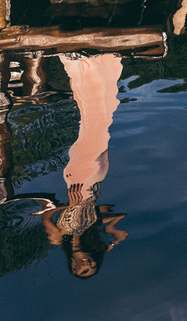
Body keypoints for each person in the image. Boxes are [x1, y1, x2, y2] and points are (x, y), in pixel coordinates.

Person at [35, 53, 128, 278]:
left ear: (73, 266)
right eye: (93, 265)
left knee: (93, 123)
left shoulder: (58, 237)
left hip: (77, 179)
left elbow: (45, 214)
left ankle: (79, 64)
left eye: (83, 268)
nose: (88, 263)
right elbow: (119, 222)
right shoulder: (92, 229)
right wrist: (109, 243)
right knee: (103, 121)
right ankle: (93, 63)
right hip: (97, 179)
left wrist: (67, 208)